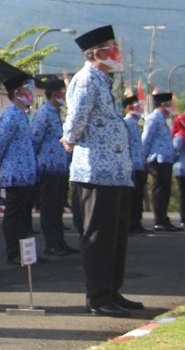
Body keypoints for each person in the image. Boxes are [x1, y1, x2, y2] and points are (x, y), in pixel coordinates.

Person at [61, 25, 140, 318]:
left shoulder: (104, 79)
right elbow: (76, 117)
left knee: (116, 235)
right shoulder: (86, 80)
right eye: (112, 47)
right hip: (95, 170)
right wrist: (69, 138)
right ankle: (97, 297)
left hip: (115, 171)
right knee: (97, 236)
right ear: (97, 53)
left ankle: (112, 290)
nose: (117, 52)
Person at [0, 74, 39, 265]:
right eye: (27, 89)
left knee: (24, 218)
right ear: (17, 93)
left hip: (27, 173)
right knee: (14, 216)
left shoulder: (22, 115)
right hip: (15, 173)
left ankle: (25, 253)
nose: (31, 93)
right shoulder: (10, 115)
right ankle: (14, 252)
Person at [30, 78, 78, 256]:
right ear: (56, 93)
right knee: (49, 208)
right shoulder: (44, 113)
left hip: (59, 167)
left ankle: (60, 241)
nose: (65, 96)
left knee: (57, 207)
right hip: (48, 167)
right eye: (63, 92)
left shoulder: (57, 113)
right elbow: (35, 139)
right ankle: (51, 243)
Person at [142, 92, 181, 231]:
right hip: (156, 159)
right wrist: (143, 159)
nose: (172, 106)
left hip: (166, 159)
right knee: (159, 190)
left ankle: (164, 218)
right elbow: (146, 139)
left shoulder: (163, 119)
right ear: (164, 104)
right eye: (170, 103)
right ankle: (158, 220)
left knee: (165, 190)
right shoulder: (153, 118)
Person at [122, 95, 148, 234]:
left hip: (139, 164)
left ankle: (137, 222)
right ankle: (131, 223)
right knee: (132, 197)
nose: (138, 108)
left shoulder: (136, 124)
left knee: (138, 197)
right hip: (131, 165)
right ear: (128, 108)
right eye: (135, 106)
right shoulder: (126, 123)